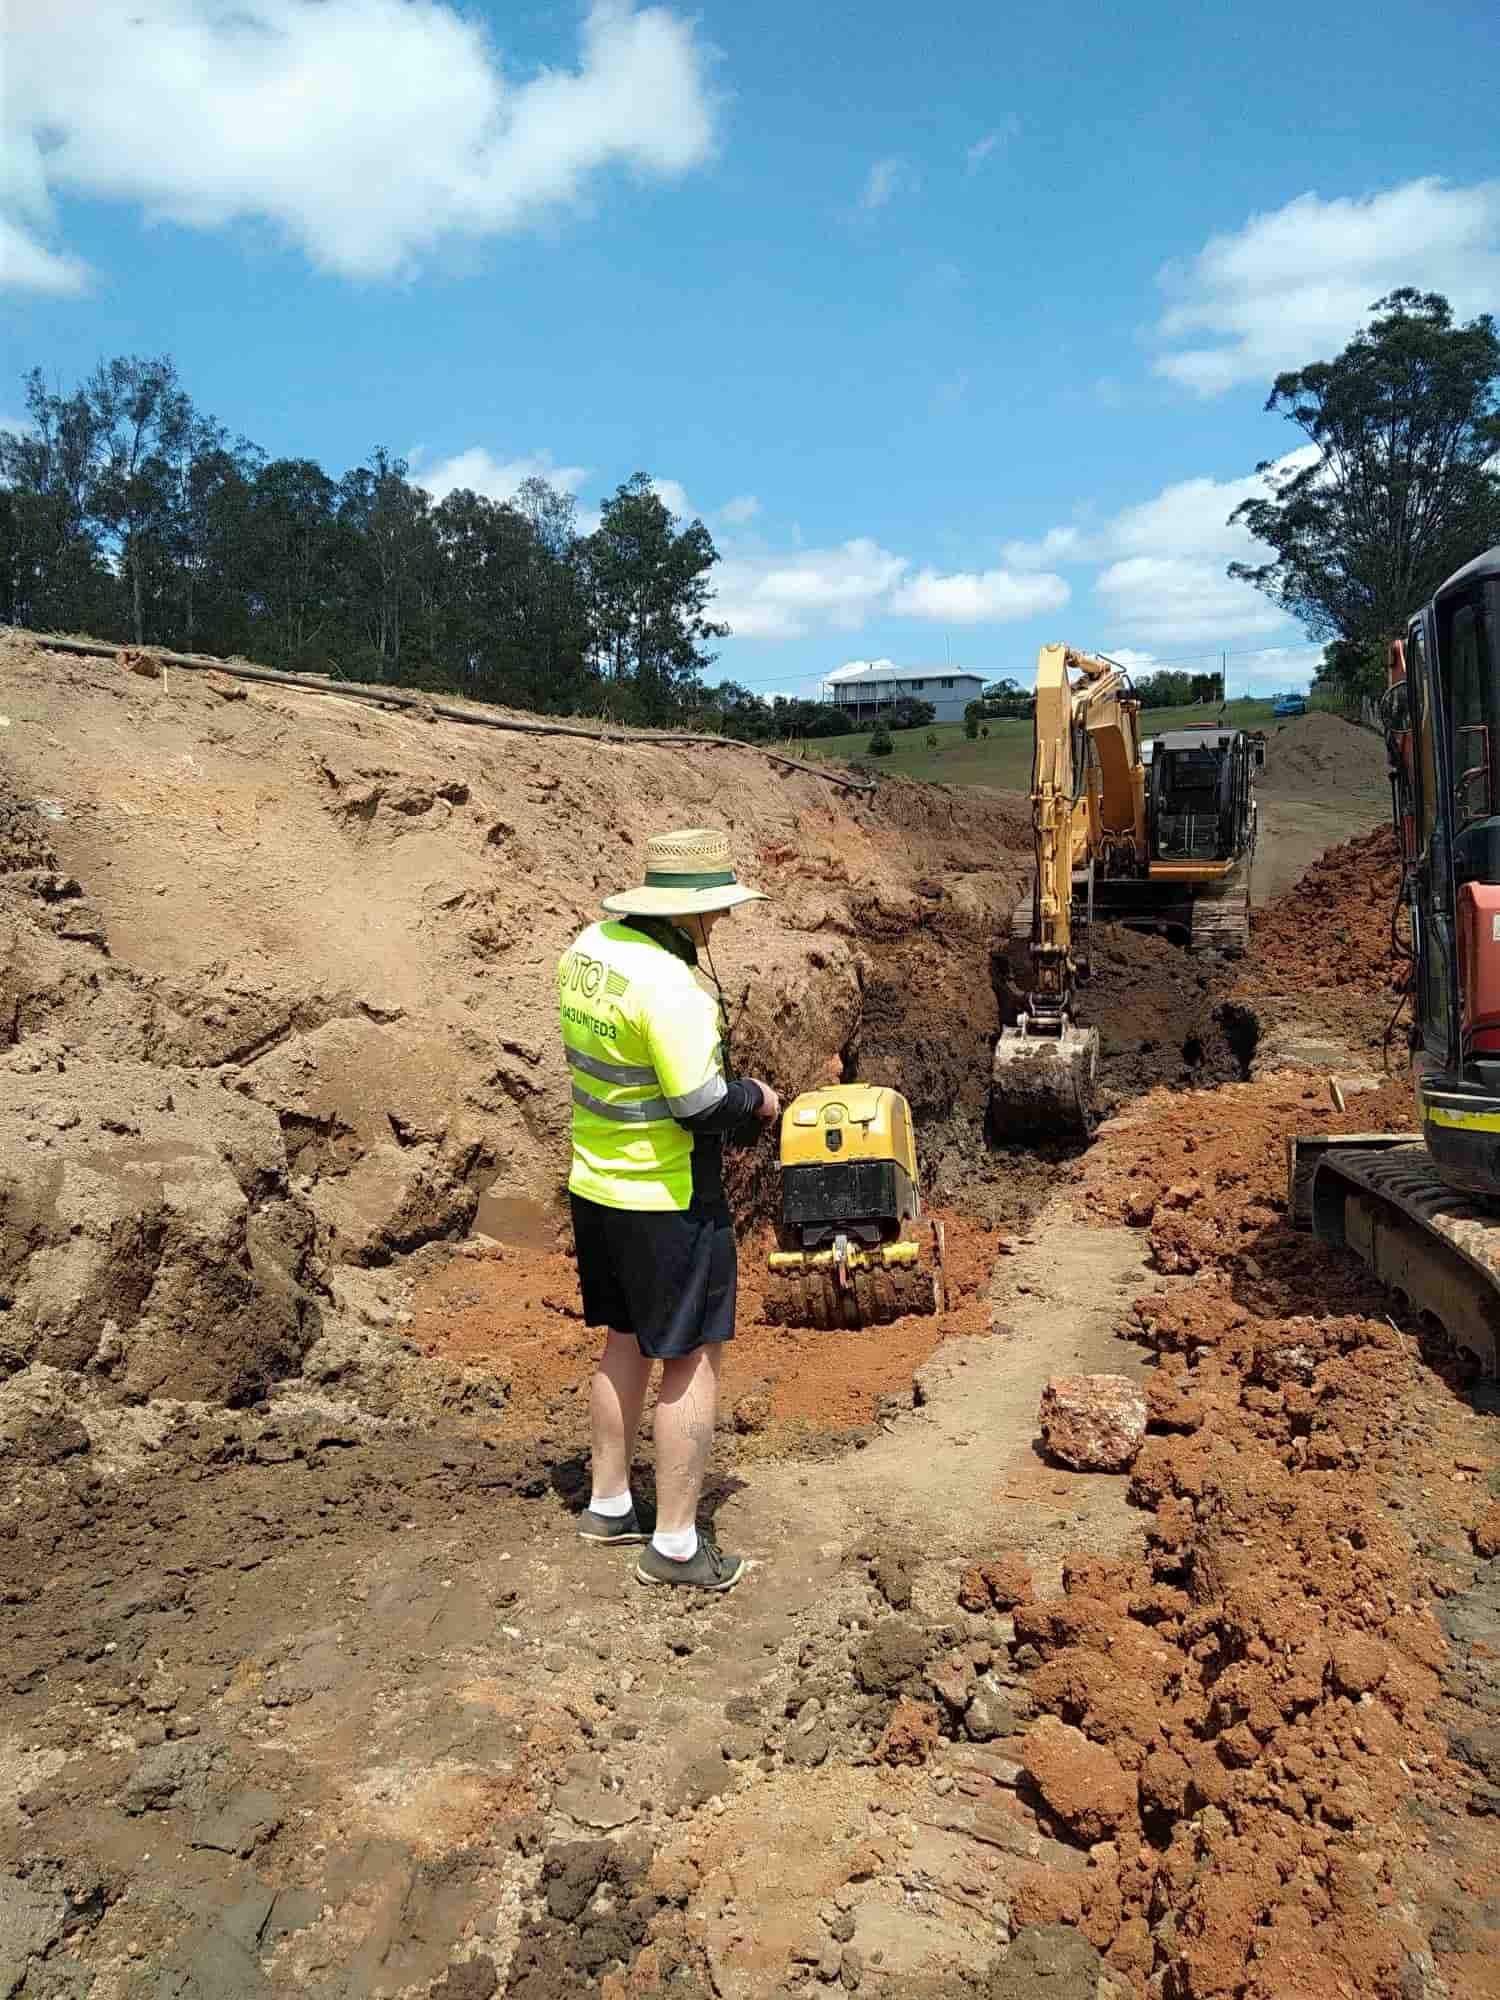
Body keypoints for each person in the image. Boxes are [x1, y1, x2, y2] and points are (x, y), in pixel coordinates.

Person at [557, 828, 780, 1591]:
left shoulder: (588, 949)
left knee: (624, 1340)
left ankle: (609, 1504)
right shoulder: (672, 988)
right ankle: (679, 1547)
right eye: (714, 913)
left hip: (596, 1185)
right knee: (690, 1358)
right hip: (668, 1198)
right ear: (686, 915)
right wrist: (757, 1100)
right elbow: (700, 1103)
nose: (719, 924)